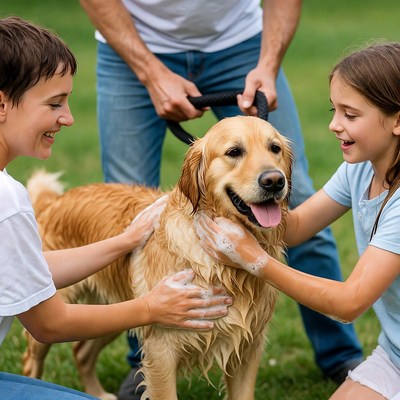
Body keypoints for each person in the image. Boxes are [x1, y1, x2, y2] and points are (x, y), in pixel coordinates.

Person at [79, 0, 363, 397]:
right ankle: (150, 352)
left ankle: (340, 354)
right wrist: (149, 70)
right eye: (234, 154)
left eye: (275, 153)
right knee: (132, 214)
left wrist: (268, 64)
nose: (270, 172)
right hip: (131, 44)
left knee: (297, 205)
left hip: (241, 41)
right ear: (195, 171)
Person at [0, 16, 233, 400]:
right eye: (54, 103)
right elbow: (50, 324)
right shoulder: (7, 198)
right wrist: (150, 308)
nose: (69, 117)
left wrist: (123, 241)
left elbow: (29, 269)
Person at [195, 42, 400, 400]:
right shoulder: (361, 170)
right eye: (334, 110)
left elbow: (350, 302)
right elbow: (297, 226)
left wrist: (255, 259)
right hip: (394, 355)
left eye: (350, 115)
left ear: (397, 121)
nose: (334, 125)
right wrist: (226, 212)